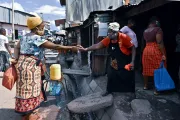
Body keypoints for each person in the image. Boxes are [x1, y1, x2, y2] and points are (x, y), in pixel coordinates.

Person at [13, 17, 80, 120]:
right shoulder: (36, 38)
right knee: (31, 90)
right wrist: (71, 48)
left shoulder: (24, 37)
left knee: (24, 89)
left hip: (22, 65)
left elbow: (17, 48)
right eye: (42, 27)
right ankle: (30, 115)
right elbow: (55, 47)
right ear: (36, 28)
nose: (43, 29)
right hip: (31, 67)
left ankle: (26, 113)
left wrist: (16, 59)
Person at [79, 22, 136, 95]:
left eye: (110, 32)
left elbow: (133, 48)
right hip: (114, 60)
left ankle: (129, 94)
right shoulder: (108, 39)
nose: (108, 33)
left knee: (126, 76)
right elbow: (97, 46)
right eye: (108, 31)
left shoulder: (124, 37)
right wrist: (85, 49)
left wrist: (132, 61)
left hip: (125, 60)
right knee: (111, 74)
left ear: (116, 32)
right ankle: (109, 91)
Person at [142, 17, 166, 95]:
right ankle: (157, 89)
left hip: (146, 50)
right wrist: (163, 54)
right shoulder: (158, 29)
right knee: (158, 68)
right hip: (155, 49)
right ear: (156, 22)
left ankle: (145, 85)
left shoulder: (145, 31)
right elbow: (159, 42)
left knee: (146, 68)